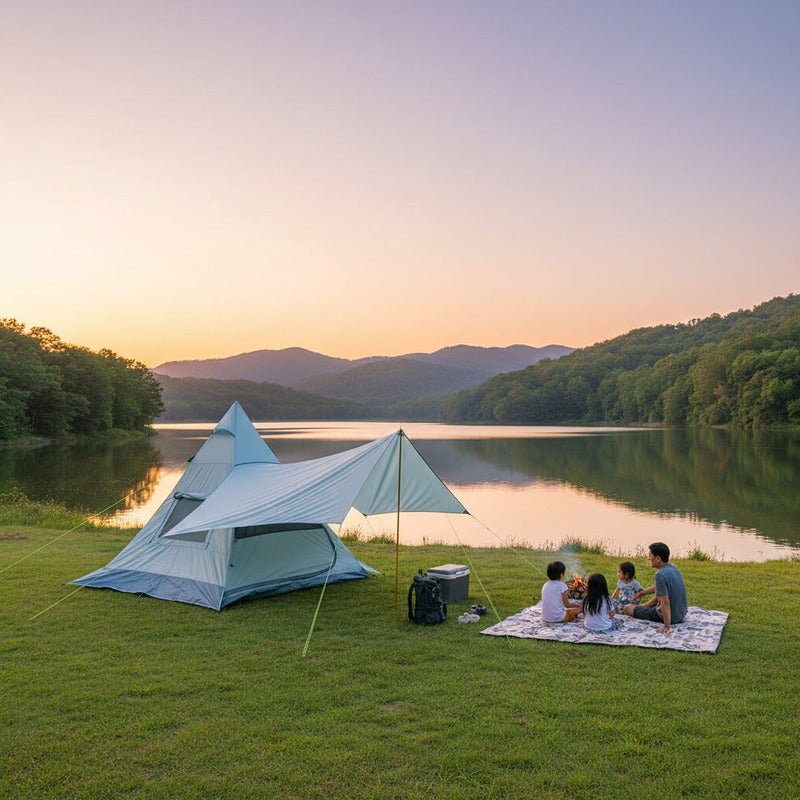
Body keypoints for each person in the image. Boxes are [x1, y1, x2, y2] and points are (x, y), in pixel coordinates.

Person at [622, 542, 688, 634]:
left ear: (657, 558)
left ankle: (638, 608)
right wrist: (643, 592)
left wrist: (666, 626)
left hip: (669, 617)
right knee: (659, 595)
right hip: (681, 614)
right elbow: (661, 587)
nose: (648, 558)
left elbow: (665, 602)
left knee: (627, 608)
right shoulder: (673, 567)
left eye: (650, 555)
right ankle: (642, 607)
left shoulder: (660, 575)